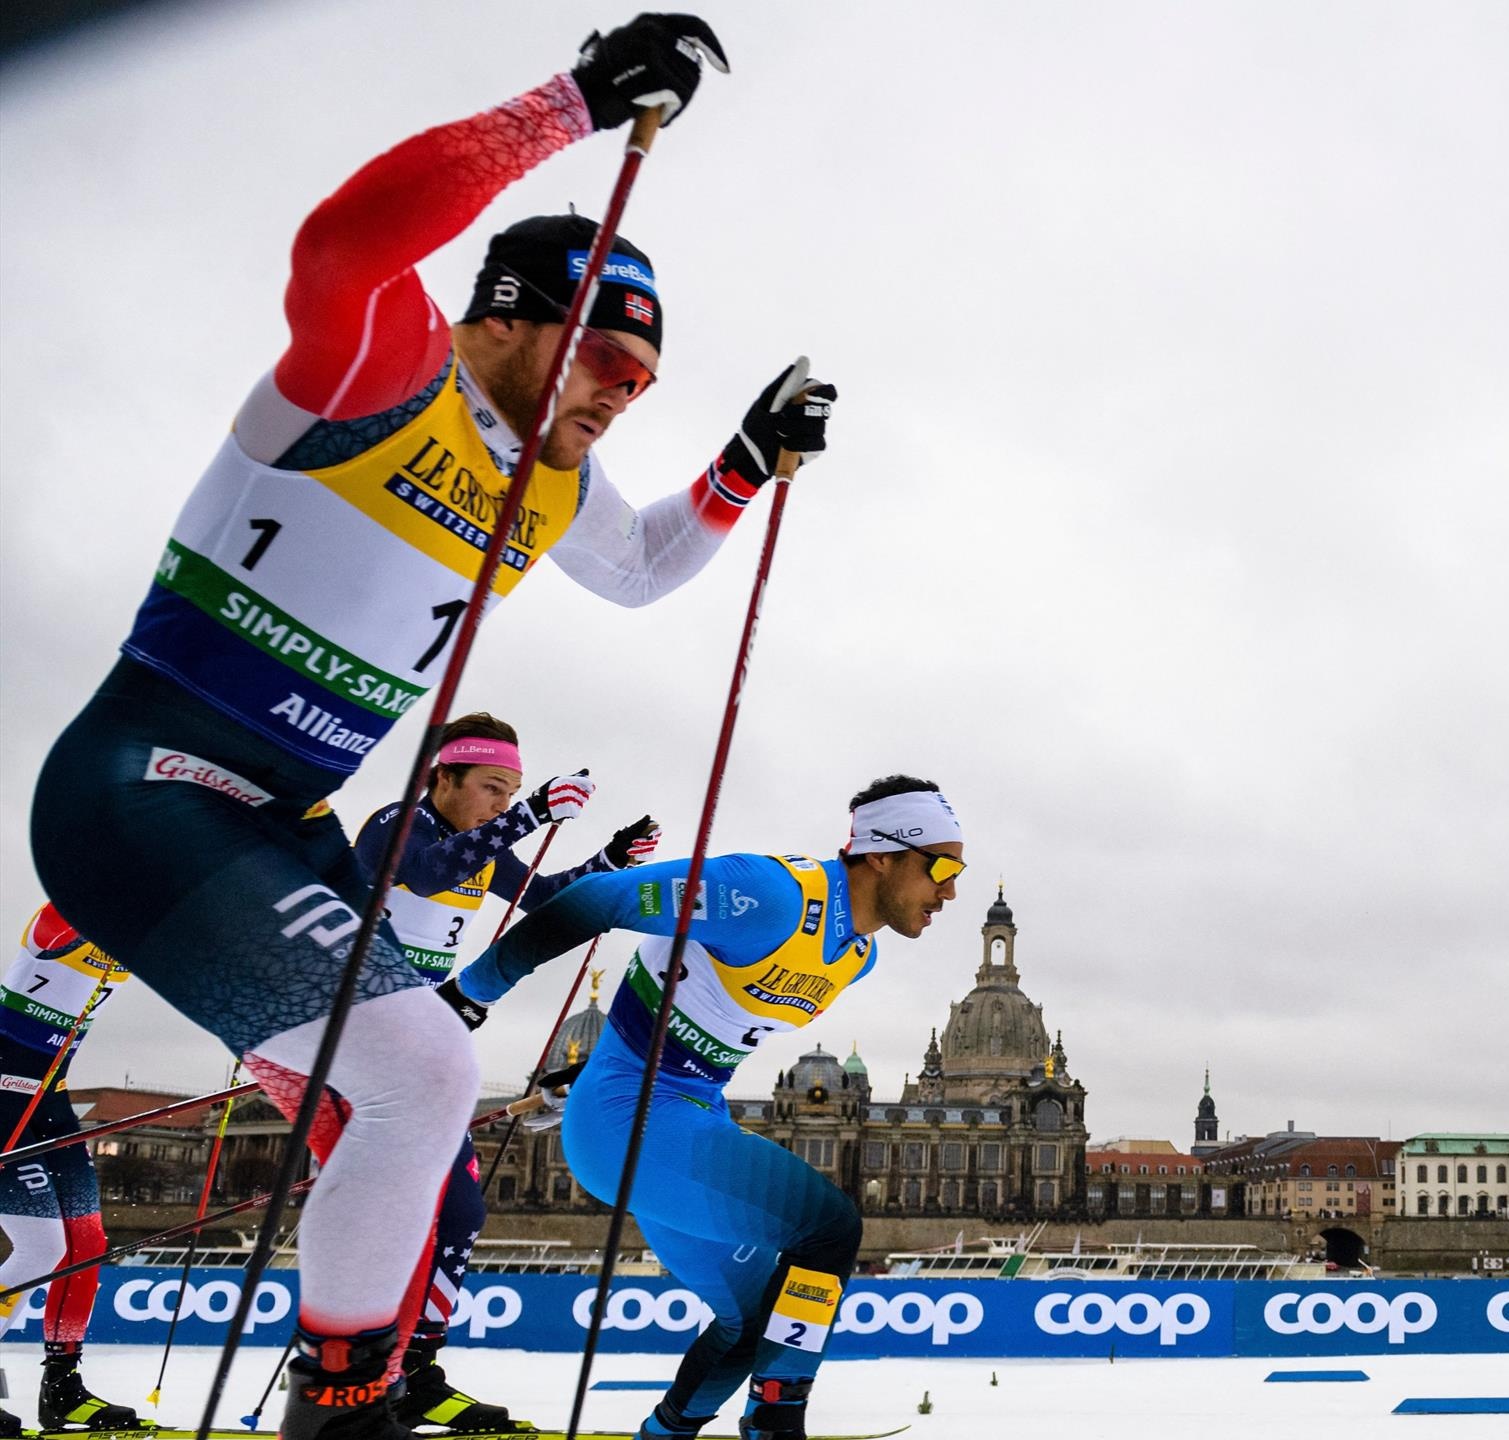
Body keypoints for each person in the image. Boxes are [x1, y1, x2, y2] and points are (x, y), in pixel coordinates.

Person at [26, 16, 835, 1440]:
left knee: (397, 1114)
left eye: (639, 386)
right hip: (147, 782)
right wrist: (572, 104)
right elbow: (341, 244)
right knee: (422, 1070)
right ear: (508, 315)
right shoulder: (384, 370)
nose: (614, 397)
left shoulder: (552, 487)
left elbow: (645, 567)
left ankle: (368, 1383)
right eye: (598, 362)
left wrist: (747, 464)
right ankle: (344, 1408)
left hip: (277, 821)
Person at [445, 777, 965, 1440]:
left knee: (752, 1320)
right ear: (882, 854)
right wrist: (470, 993)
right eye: (941, 868)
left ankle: (667, 1432)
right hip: (627, 1121)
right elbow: (593, 900)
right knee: (829, 1229)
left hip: (685, 1120)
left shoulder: (857, 955)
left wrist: (577, 1072)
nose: (950, 891)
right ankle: (776, 1420)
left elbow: (686, 1012)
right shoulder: (773, 895)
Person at [351, 712, 658, 1433]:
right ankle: (364, 1376)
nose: (497, 803)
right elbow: (430, 872)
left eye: (510, 791)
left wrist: (609, 862)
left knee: (460, 1213)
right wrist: (529, 813)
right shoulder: (399, 825)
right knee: (407, 1216)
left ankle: (417, 1373)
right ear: (443, 778)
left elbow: (543, 896)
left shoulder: (481, 845)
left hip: (428, 1034)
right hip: (366, 1032)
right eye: (490, 788)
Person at [0, 907, 133, 1436]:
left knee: (85, 1244)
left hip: (50, 1098)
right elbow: (58, 930)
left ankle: (62, 1389)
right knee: (41, 1250)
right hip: (6, 1095)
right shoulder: (65, 908)